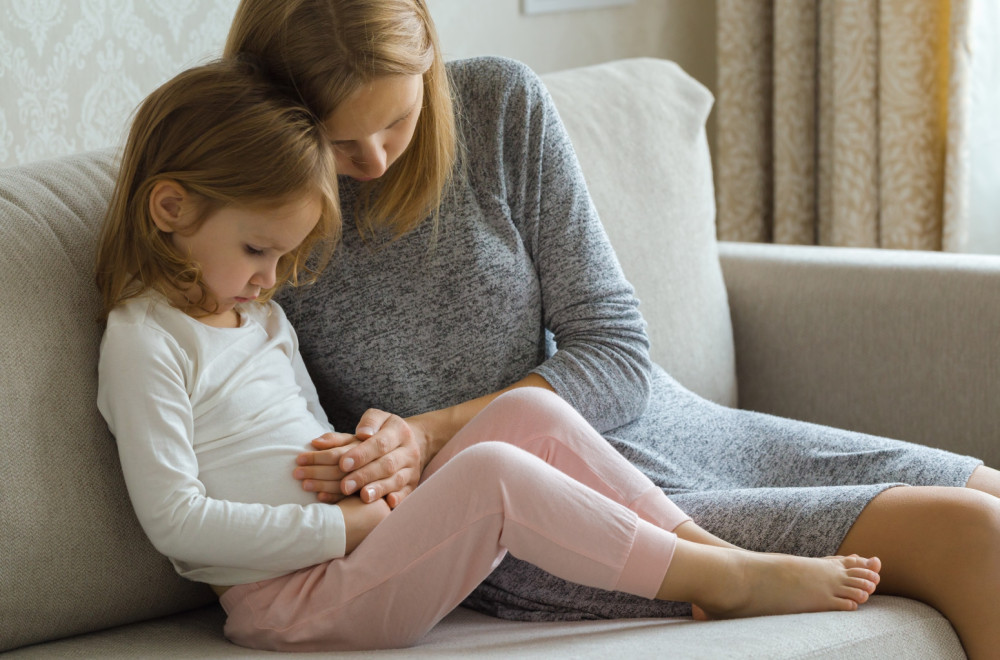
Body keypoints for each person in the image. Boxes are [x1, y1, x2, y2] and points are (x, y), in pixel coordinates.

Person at [223, 1, 1000, 658]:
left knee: (989, 492)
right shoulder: (256, 221)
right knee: (974, 535)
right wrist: (404, 459)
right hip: (542, 515)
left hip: (663, 424)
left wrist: (423, 432)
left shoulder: (497, 105)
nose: (376, 158)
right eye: (339, 139)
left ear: (428, 59)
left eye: (396, 118)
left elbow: (617, 351)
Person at [94, 57, 883, 652]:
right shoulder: (145, 341)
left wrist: (357, 456)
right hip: (294, 604)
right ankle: (729, 581)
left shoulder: (257, 315)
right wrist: (351, 528)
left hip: (358, 547)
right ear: (172, 207)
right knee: (492, 477)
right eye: (258, 251)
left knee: (529, 409)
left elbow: (297, 427)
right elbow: (180, 525)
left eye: (283, 259)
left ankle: (715, 555)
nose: (272, 280)